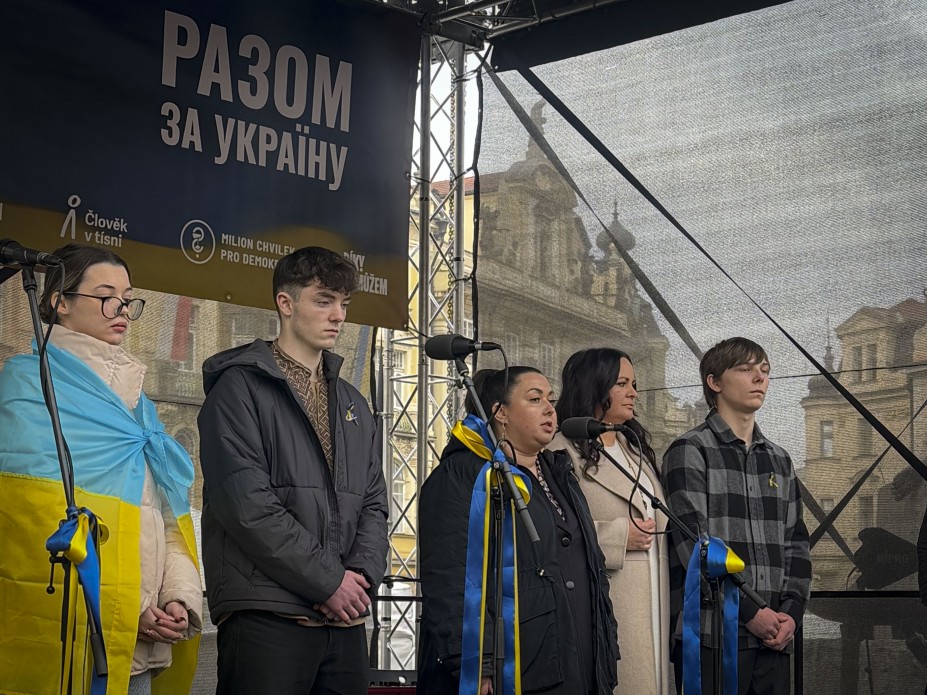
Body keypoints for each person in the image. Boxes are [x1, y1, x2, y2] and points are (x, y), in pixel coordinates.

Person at [0, 243, 202, 695]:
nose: (123, 310)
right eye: (107, 296)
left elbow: (164, 518)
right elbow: (27, 524)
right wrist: (129, 606)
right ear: (59, 302)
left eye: (128, 299)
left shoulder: (139, 408)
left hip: (139, 646)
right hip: (68, 639)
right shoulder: (28, 388)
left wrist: (176, 599)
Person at [198, 246, 388, 695]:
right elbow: (246, 505)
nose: (338, 315)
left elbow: (376, 505)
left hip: (344, 618)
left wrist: (358, 578)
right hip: (268, 614)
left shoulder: (354, 404)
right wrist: (330, 581)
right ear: (285, 304)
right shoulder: (237, 388)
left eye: (344, 303)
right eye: (323, 300)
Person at [418, 366, 618, 695]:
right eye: (535, 399)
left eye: (550, 399)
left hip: (577, 659)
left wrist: (605, 649)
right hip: (515, 668)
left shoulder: (560, 471)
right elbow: (448, 578)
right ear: (500, 413)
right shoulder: (463, 476)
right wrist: (477, 666)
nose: (550, 408)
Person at [663, 337, 811, 695]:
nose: (759, 378)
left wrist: (790, 613)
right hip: (713, 635)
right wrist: (750, 612)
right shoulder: (689, 450)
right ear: (714, 382)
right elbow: (694, 545)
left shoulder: (780, 459)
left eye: (764, 370)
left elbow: (797, 544)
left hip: (774, 636)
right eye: (745, 369)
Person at [552, 347, 670, 694]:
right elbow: (555, 533)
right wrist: (618, 537)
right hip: (607, 603)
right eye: (622, 383)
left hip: (653, 597)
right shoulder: (560, 451)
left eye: (633, 383)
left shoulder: (634, 448)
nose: (633, 392)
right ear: (594, 387)